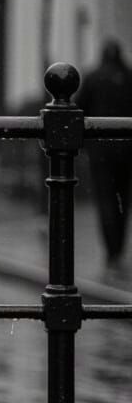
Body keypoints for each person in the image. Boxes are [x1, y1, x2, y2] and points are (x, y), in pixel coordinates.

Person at [76, 39, 132, 270]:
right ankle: (118, 248)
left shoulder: (93, 78)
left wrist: (81, 145)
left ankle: (111, 251)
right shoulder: (128, 77)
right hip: (126, 150)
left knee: (105, 199)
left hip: (100, 152)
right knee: (122, 200)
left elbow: (79, 110)